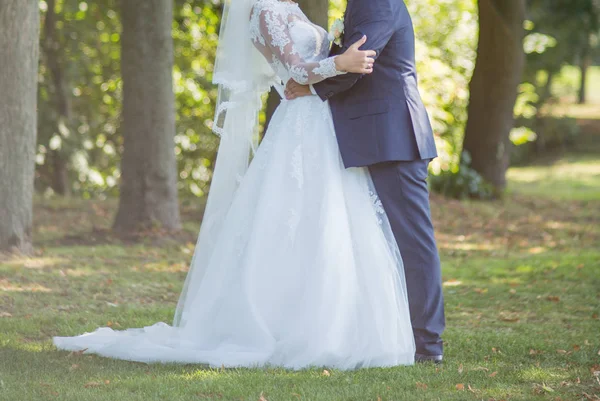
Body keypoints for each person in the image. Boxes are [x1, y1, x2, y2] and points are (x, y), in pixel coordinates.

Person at [53, 0, 420, 369]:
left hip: (324, 120)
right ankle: (288, 327)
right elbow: (294, 70)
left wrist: (335, 65)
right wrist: (338, 63)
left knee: (331, 219)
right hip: (300, 123)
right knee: (292, 217)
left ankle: (342, 323)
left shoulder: (291, 8)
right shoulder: (263, 12)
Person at [286, 0, 446, 363]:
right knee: (381, 240)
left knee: (412, 242)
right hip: (370, 134)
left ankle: (428, 345)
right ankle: (393, 334)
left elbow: (360, 61)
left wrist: (311, 89)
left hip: (392, 135)